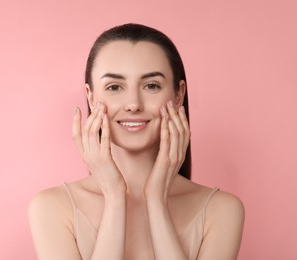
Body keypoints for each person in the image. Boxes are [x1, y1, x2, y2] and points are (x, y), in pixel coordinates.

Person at [29, 23, 245, 260]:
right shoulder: (52, 208)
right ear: (90, 97)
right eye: (114, 87)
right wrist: (114, 199)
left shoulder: (221, 210)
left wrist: (157, 201)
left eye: (151, 86)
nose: (133, 103)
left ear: (178, 95)